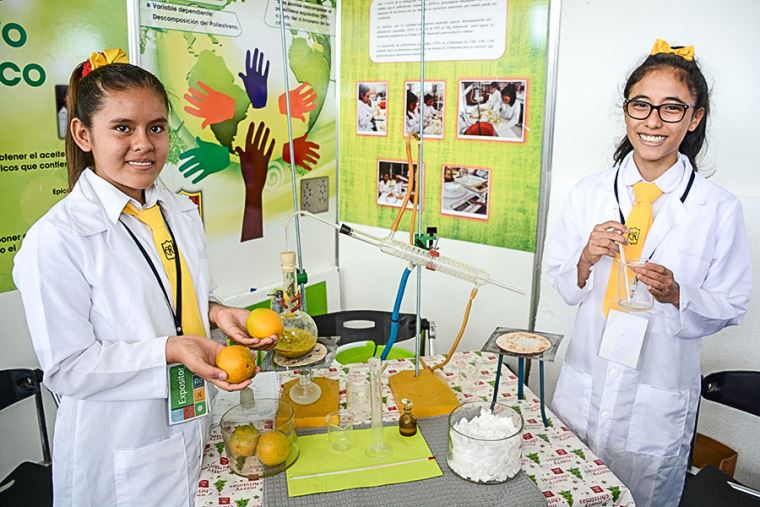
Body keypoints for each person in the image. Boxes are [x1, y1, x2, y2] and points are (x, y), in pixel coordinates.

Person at [13, 51, 277, 507]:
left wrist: (215, 313)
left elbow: (177, 297)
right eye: (123, 128)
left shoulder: (177, 210)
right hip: (122, 445)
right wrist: (171, 349)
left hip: (192, 418)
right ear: (83, 134)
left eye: (156, 127)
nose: (144, 143)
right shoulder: (57, 239)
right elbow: (69, 367)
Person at [544, 40, 752, 507]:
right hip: (586, 378)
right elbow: (560, 278)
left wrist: (679, 294)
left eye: (672, 108)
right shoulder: (589, 193)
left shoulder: (717, 209)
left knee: (644, 494)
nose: (653, 121)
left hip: (656, 390)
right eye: (642, 105)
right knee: (567, 487)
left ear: (694, 118)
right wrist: (584, 258)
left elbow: (732, 302)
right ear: (626, 111)